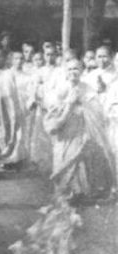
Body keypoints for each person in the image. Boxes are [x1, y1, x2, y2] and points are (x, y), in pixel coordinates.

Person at [44, 60, 114, 204]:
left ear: (82, 71)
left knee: (79, 158)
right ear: (65, 72)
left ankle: (78, 191)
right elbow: (53, 109)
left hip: (82, 128)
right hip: (65, 130)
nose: (73, 72)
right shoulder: (60, 88)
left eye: (76, 69)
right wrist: (68, 104)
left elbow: (97, 109)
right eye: (69, 69)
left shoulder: (87, 88)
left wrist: (84, 106)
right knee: (64, 156)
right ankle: (65, 190)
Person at [0, 51, 36, 168]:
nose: (19, 61)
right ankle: (8, 159)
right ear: (11, 60)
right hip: (9, 106)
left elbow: (31, 91)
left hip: (23, 107)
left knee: (22, 132)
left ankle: (18, 159)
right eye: (16, 59)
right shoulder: (6, 74)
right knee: (9, 130)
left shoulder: (27, 76)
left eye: (21, 59)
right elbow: (3, 93)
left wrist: (30, 101)